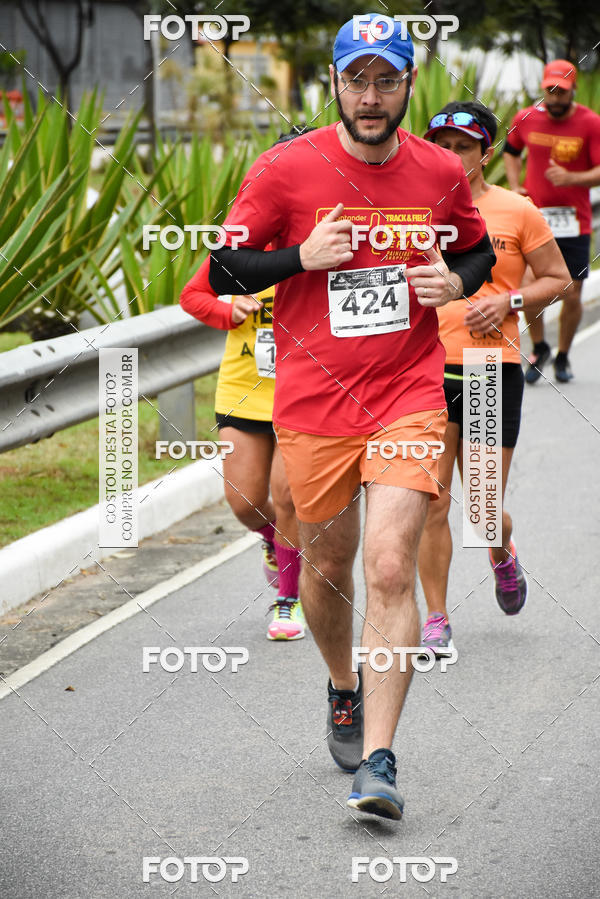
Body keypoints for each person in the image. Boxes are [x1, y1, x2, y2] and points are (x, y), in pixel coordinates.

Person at [208, 13, 496, 821]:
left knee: (389, 564)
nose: (372, 96)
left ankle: (379, 758)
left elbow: (472, 249)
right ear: (333, 82)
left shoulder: (440, 170)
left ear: (410, 84)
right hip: (314, 405)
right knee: (330, 572)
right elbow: (223, 264)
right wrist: (299, 258)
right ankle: (343, 685)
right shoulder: (284, 171)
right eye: (357, 79)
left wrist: (458, 282)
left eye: (388, 79)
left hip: (406, 392)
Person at [418, 101, 570, 653]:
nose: (453, 155)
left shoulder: (516, 209)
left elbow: (557, 277)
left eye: (463, 146)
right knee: (429, 500)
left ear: (486, 151)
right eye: (443, 144)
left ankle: (501, 553)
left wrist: (508, 299)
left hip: (488, 367)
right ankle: (436, 617)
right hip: (425, 369)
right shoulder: (412, 210)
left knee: (482, 508)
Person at [180, 254, 305, 641]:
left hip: (302, 391)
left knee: (286, 499)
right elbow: (193, 296)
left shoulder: (318, 243)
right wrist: (228, 307)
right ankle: (273, 540)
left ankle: (288, 598)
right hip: (242, 391)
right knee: (243, 502)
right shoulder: (240, 249)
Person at [503, 60, 600, 383]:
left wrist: (572, 177)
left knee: (572, 292)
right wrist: (515, 185)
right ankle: (541, 345)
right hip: (535, 218)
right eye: (551, 91)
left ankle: (562, 355)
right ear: (543, 88)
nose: (556, 98)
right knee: (530, 287)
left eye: (563, 92)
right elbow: (510, 149)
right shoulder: (526, 118)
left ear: (573, 91)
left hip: (574, 222)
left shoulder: (590, 123)